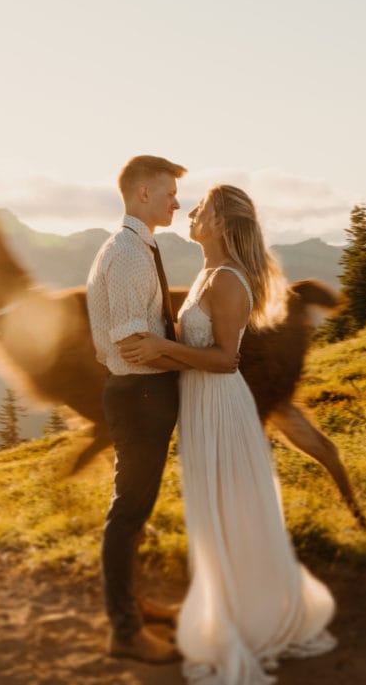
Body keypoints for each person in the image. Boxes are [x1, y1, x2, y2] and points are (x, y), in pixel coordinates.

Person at [118, 185, 336, 684]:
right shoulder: (209, 274)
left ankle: (246, 619)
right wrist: (149, 351)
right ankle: (231, 605)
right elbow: (194, 351)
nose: (190, 211)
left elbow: (224, 360)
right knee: (211, 510)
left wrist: (159, 349)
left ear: (219, 222)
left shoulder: (228, 279)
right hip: (201, 405)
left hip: (220, 405)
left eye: (201, 208)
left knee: (227, 511)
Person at [85, 154, 198, 664]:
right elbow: (134, 346)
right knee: (128, 512)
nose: (177, 201)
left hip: (143, 394)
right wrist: (198, 361)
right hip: (140, 395)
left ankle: (132, 604)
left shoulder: (137, 246)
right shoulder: (129, 254)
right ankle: (125, 631)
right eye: (169, 192)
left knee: (136, 509)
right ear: (143, 193)